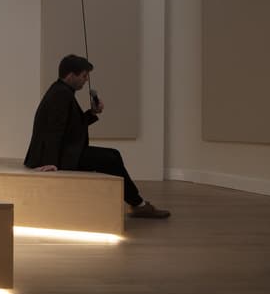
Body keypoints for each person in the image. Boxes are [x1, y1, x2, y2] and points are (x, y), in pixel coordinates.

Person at [24, 54, 170, 218]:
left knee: (112, 155)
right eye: (84, 76)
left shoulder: (61, 91)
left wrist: (92, 113)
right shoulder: (61, 94)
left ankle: (137, 202)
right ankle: (138, 204)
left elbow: (71, 127)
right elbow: (54, 131)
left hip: (63, 152)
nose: (86, 80)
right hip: (59, 157)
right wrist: (50, 163)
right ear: (71, 75)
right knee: (111, 158)